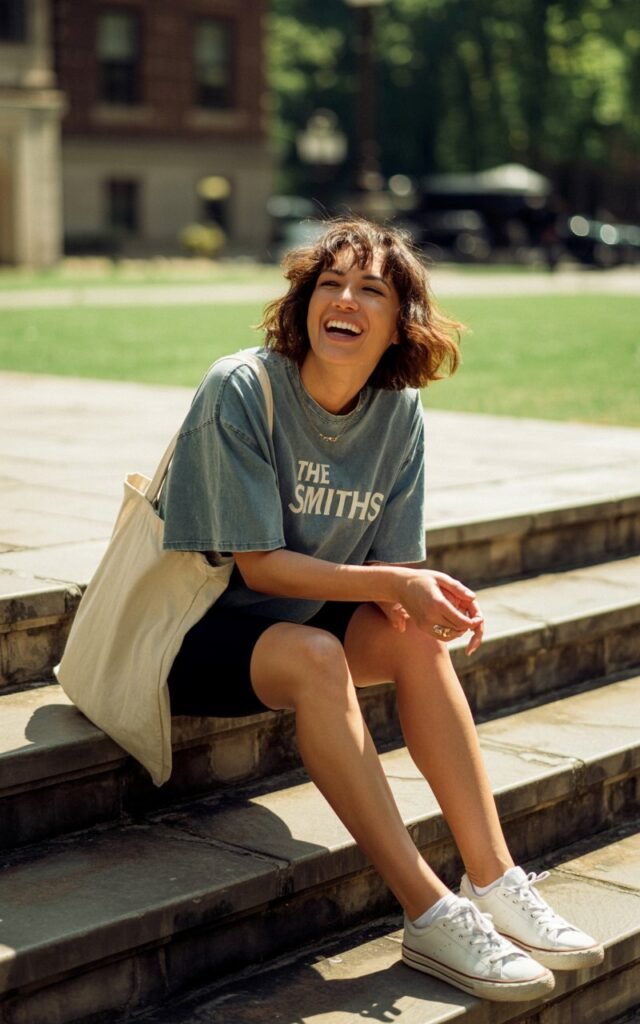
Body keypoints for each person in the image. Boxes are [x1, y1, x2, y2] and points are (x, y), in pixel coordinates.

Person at [160, 218, 603, 1003]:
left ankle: (494, 879)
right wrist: (396, 587)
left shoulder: (398, 414)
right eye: (329, 283)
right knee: (320, 653)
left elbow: (390, 571)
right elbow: (258, 564)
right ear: (303, 304)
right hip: (191, 632)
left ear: (401, 322)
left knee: (413, 639)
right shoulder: (242, 386)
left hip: (296, 619)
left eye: (372, 289)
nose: (346, 299)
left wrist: (420, 599)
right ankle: (429, 910)